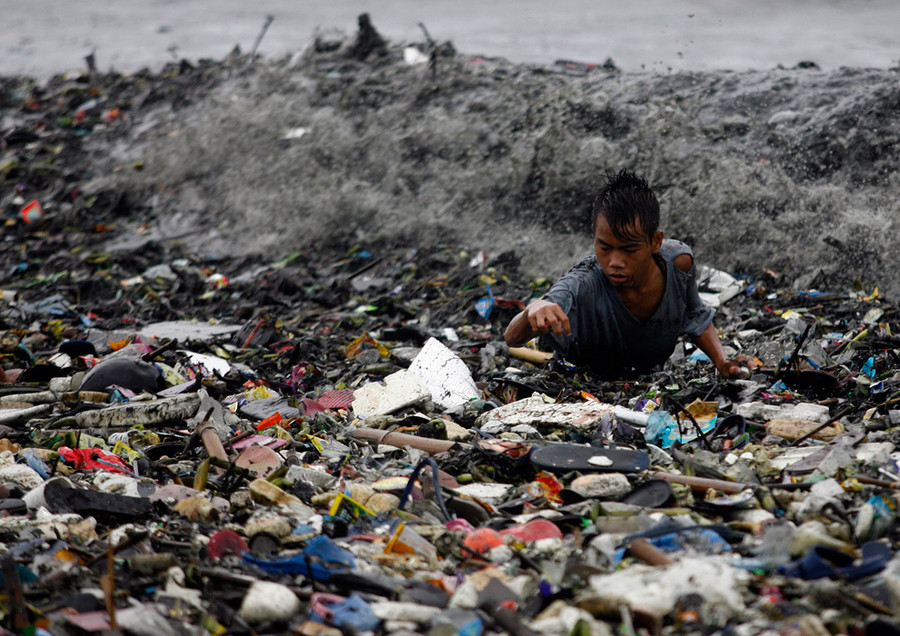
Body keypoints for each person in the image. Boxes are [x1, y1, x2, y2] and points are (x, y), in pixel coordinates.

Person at [504, 169, 743, 378]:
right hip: (589, 373)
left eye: (629, 249)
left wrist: (722, 362)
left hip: (646, 371)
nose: (615, 262)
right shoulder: (583, 282)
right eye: (604, 248)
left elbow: (695, 316)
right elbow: (512, 338)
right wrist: (531, 311)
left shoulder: (678, 262)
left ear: (655, 242)